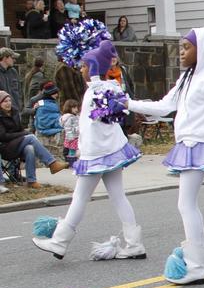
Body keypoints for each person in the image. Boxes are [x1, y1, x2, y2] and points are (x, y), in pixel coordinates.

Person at [127, 25, 204, 285]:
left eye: (186, 47)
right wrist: (127, 103)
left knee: (186, 204)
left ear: (201, 49)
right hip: (189, 145)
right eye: (181, 46)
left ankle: (195, 266)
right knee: (188, 204)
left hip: (199, 146)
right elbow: (163, 106)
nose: (181, 52)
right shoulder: (187, 78)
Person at [33, 42, 145, 260]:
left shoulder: (96, 90)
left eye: (85, 65)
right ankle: (134, 243)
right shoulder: (111, 87)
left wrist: (83, 155)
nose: (81, 69)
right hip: (112, 152)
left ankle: (60, 241)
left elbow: (91, 126)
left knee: (80, 197)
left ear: (93, 67)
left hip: (96, 155)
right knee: (118, 196)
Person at [0, 90, 70, 188]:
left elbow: (20, 129)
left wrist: (22, 134)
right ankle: (52, 163)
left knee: (29, 148)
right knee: (31, 137)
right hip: (5, 148)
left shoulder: (14, 112)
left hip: (17, 144)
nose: (8, 103)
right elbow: (3, 136)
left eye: (9, 101)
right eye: (4, 101)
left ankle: (31, 181)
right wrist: (23, 134)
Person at [32, 82, 64, 155]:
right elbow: (44, 121)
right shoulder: (47, 105)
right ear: (50, 94)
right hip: (45, 130)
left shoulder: (46, 103)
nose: (57, 95)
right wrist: (60, 123)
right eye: (55, 93)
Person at [0, 48, 23, 117]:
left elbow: (19, 90)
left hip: (15, 111)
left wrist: (20, 104)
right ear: (5, 58)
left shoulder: (13, 72)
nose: (14, 60)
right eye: (12, 58)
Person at [60, 99, 80, 165]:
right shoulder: (69, 117)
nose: (76, 109)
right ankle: (72, 162)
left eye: (77, 107)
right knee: (72, 150)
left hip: (76, 136)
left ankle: (74, 161)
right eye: (74, 107)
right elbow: (68, 128)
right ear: (69, 108)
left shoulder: (75, 116)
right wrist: (70, 137)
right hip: (72, 137)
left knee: (74, 150)